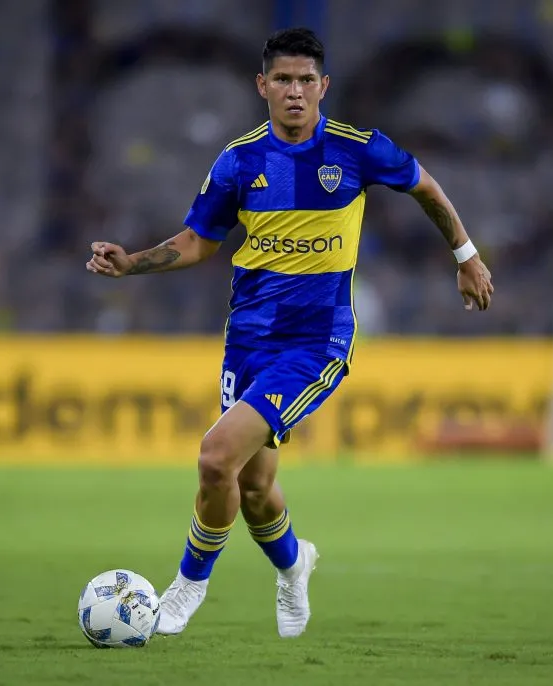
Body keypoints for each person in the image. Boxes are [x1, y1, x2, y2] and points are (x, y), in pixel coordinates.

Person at [86, 27, 493, 638]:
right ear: (263, 86)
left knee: (214, 455)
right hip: (247, 339)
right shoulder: (239, 161)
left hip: (315, 343)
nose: (295, 91)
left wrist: (466, 256)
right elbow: (198, 241)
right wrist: (132, 262)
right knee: (253, 487)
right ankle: (294, 563)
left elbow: (425, 187)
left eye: (306, 81)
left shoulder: (358, 150)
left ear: (324, 86)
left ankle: (187, 585)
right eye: (283, 80)